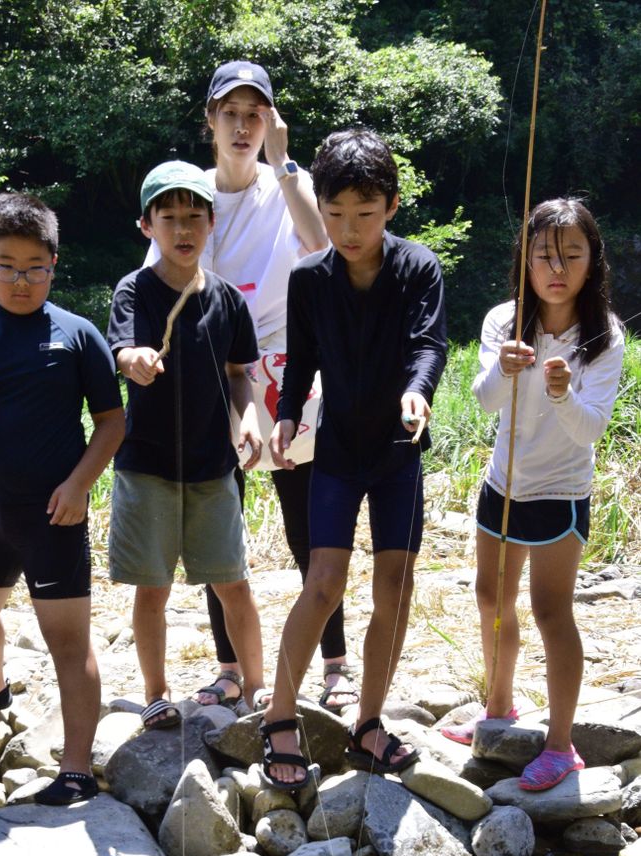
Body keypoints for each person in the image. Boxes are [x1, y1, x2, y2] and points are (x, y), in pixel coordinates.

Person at [147, 61, 351, 713]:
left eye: (254, 114)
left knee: (307, 524)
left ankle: (336, 662)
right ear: (209, 121)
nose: (242, 127)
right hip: (213, 368)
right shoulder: (190, 196)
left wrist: (288, 164)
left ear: (271, 121)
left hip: (290, 366)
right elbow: (158, 282)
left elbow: (323, 247)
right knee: (216, 526)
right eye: (229, 113)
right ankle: (231, 668)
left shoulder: (289, 185)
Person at [260, 128, 447, 788]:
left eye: (364, 214)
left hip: (397, 450)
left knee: (395, 588)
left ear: (391, 207)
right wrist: (285, 415)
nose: (348, 228)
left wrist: (416, 393)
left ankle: (368, 721)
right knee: (323, 582)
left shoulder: (418, 266)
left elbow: (428, 346)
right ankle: (280, 716)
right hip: (336, 450)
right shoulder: (310, 277)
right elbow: (302, 356)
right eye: (334, 213)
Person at [0, 191, 125, 806]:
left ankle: (74, 768)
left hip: (55, 514)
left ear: (54, 265)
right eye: (6, 265)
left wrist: (79, 485)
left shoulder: (78, 334)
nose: (21, 280)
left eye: (34, 267)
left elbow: (112, 422)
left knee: (68, 643)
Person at [440, 199, 624, 790]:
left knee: (551, 612)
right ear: (527, 258)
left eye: (572, 254)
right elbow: (485, 399)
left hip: (561, 492)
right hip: (503, 485)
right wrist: (505, 369)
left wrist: (563, 393)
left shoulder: (603, 337)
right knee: (492, 600)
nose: (557, 267)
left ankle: (562, 745)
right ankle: (497, 713)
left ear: (592, 261)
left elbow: (592, 428)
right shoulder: (504, 320)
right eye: (545, 254)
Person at [107, 160, 265, 729]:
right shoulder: (135, 290)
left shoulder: (226, 298)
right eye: (169, 217)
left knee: (234, 583)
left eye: (194, 216)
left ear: (211, 222)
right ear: (147, 226)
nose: (183, 229)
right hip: (146, 464)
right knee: (153, 587)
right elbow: (121, 349)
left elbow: (240, 373)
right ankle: (155, 692)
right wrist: (136, 360)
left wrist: (246, 419)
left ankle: (258, 687)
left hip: (211, 466)